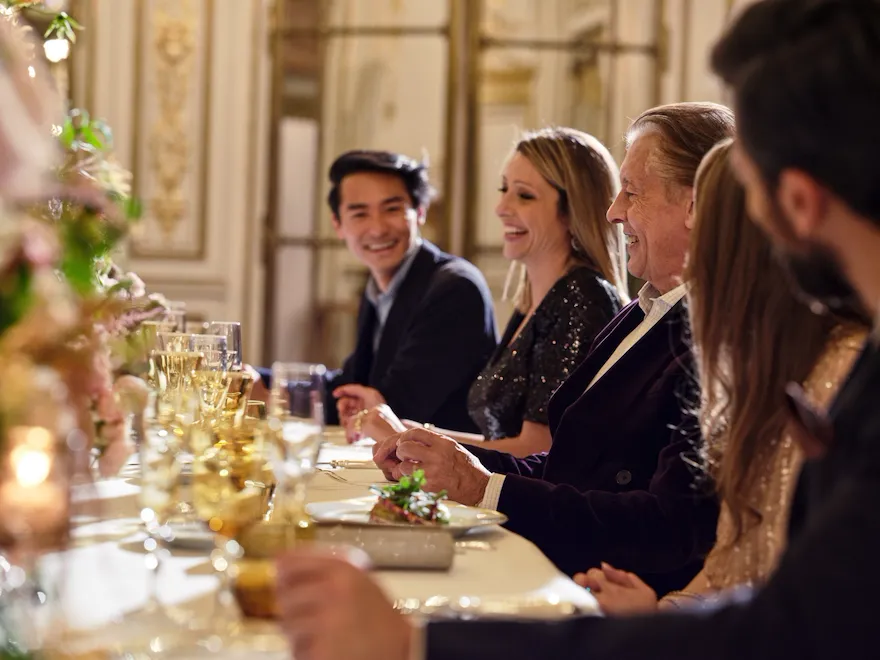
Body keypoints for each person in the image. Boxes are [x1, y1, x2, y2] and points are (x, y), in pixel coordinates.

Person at [275, 2, 880, 659]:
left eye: (743, 190)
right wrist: (471, 475)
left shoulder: (812, 358)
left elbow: (784, 620)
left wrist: (417, 643)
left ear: (795, 200)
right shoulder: (841, 358)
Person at [370, 102, 734, 592]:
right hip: (553, 566)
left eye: (631, 192)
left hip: (607, 602)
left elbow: (666, 527)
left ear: (695, 205)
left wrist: (483, 488)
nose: (614, 212)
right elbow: (570, 462)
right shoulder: (646, 310)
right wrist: (455, 462)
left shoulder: (721, 337)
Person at [577, 139, 867, 613]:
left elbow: (813, 606)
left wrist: (660, 626)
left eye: (706, 239)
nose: (696, 266)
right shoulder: (758, 368)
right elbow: (729, 560)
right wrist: (665, 610)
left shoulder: (841, 371)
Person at [355, 127, 628, 457]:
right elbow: (503, 442)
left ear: (573, 210)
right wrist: (412, 431)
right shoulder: (534, 300)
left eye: (524, 195)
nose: (501, 207)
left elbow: (538, 450)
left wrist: (406, 436)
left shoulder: (581, 296)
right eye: (504, 190)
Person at [261, 150, 497, 433]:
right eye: (360, 213)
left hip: (441, 469)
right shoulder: (378, 287)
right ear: (338, 224)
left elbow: (395, 406)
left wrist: (275, 398)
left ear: (420, 212)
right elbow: (353, 384)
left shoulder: (455, 288)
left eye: (392, 209)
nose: (377, 228)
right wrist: (261, 382)